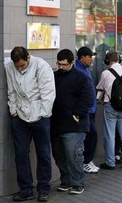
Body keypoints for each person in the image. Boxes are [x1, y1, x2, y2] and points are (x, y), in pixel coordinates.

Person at [5, 46, 55, 202]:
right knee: (20, 154)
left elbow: (48, 92)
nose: (19, 68)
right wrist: (13, 111)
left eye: (22, 65)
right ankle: (25, 190)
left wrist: (42, 114)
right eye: (17, 66)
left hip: (40, 116)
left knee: (43, 154)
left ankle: (43, 189)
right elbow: (11, 91)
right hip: (19, 116)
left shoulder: (41, 65)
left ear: (28, 58)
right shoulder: (10, 67)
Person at [51, 49, 94, 195]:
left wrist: (77, 114)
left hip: (75, 125)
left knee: (74, 155)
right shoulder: (53, 76)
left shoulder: (81, 77)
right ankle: (66, 181)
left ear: (72, 63)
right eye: (59, 64)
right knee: (59, 155)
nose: (61, 67)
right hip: (56, 123)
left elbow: (89, 98)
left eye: (64, 65)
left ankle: (77, 183)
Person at [96, 51, 122, 169]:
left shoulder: (106, 73)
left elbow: (100, 88)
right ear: (119, 60)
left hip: (110, 106)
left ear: (107, 61)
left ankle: (110, 162)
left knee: (109, 135)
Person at [75, 46, 99, 173]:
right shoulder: (79, 71)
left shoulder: (85, 69)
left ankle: (87, 160)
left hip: (91, 109)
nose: (91, 59)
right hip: (86, 110)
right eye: (89, 57)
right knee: (91, 135)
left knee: (91, 135)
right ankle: (86, 161)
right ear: (82, 57)